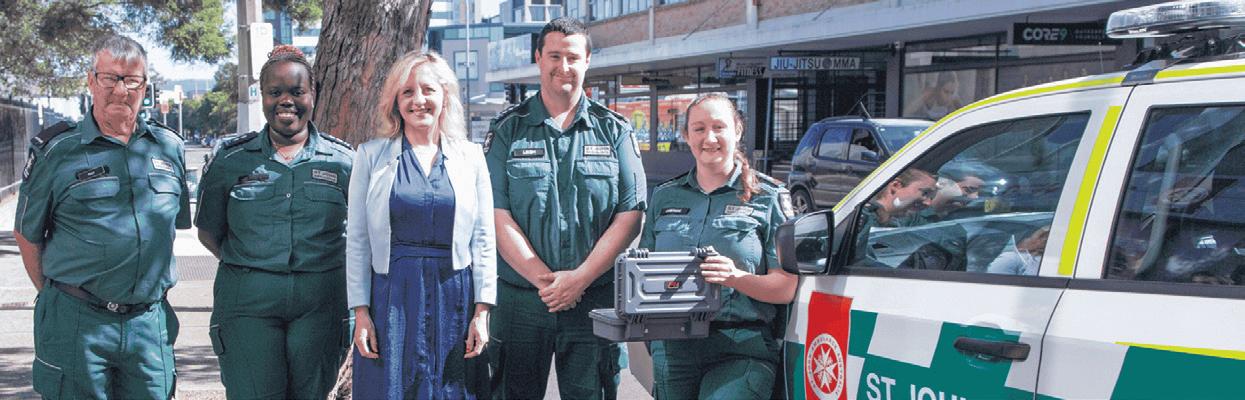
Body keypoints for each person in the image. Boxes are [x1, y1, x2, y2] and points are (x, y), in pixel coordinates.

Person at [15, 34, 191, 399]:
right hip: (78, 322)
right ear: (91, 81)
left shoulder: (169, 147)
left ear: (145, 86)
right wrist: (59, 297)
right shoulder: (58, 151)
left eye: (132, 80)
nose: (121, 90)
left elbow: (170, 230)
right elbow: (27, 235)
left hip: (148, 324)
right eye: (110, 78)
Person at [485, 17, 647, 399]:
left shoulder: (615, 130)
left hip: (594, 299)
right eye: (555, 56)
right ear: (539, 58)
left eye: (573, 57)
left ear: (587, 60)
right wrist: (548, 282)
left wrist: (579, 279)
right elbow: (495, 213)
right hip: (522, 301)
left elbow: (631, 214)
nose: (564, 66)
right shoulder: (508, 130)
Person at [194, 45, 354, 399]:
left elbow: (360, 236)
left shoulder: (344, 162)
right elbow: (209, 232)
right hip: (248, 302)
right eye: (275, 92)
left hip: (321, 303)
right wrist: (258, 265)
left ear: (313, 95)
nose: (286, 101)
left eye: (297, 91)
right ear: (262, 96)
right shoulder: (230, 161)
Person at [346, 50, 497, 399]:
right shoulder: (371, 156)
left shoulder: (471, 156)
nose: (418, 100)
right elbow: (357, 240)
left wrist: (482, 311)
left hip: (455, 295)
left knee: (452, 389)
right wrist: (361, 312)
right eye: (407, 92)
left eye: (428, 89)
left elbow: (483, 238)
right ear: (395, 102)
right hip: (391, 297)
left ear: (445, 95)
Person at [640, 93, 797, 399]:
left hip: (741, 346)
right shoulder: (664, 196)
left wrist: (735, 277)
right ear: (686, 136)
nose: (709, 138)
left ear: (737, 130)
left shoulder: (768, 197)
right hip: (672, 347)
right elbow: (643, 272)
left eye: (719, 127)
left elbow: (786, 287)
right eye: (699, 129)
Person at [851, 168, 937, 265]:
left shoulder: (902, 223)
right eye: (925, 193)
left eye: (931, 197)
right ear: (896, 186)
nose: (928, 202)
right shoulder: (863, 219)